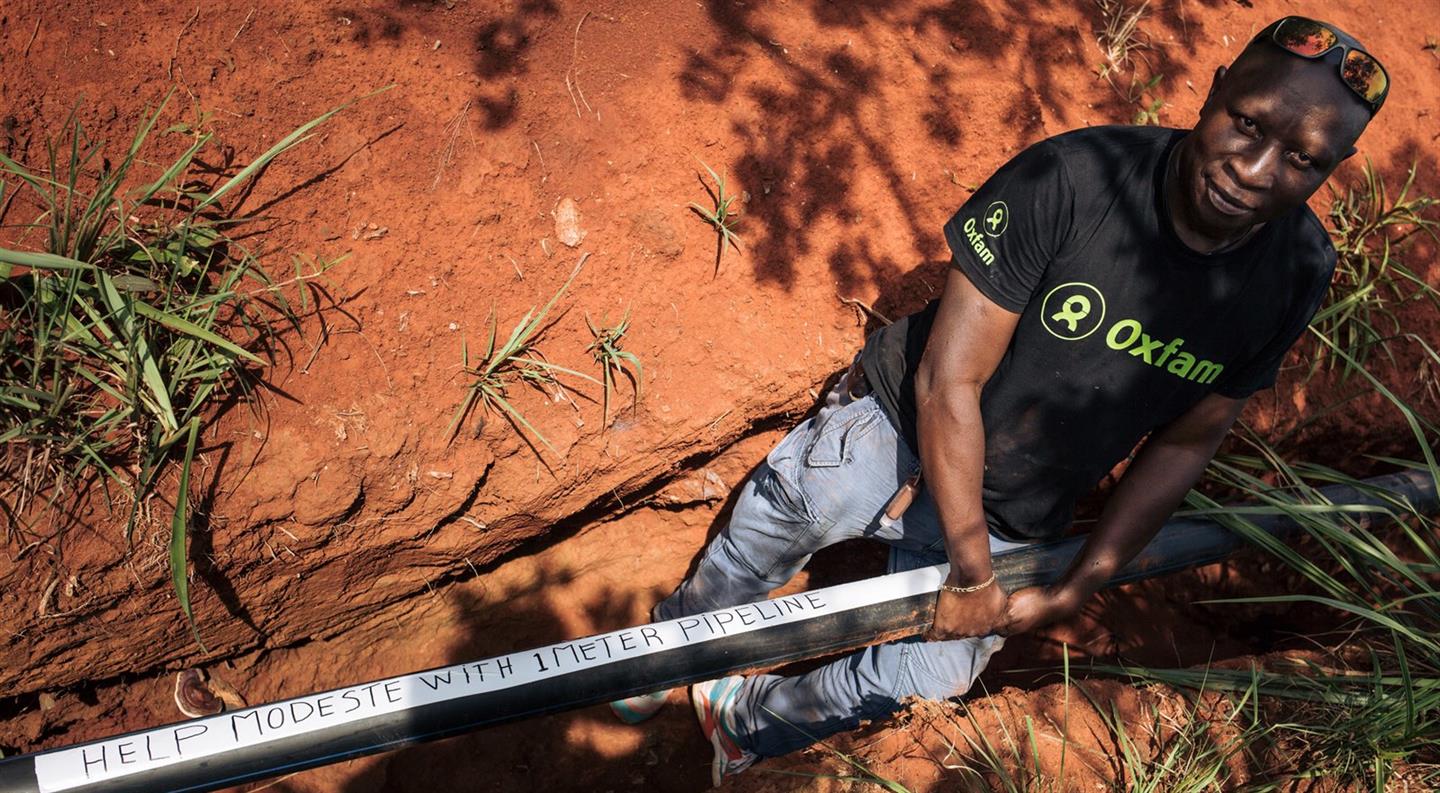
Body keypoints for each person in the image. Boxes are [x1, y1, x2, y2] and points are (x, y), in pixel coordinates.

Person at [613, 16, 1389, 786]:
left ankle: (751, 721)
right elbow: (947, 381)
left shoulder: (1297, 271)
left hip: (1024, 504)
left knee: (934, 676)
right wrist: (972, 567)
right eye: (1246, 124)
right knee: (801, 505)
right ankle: (673, 642)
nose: (1253, 168)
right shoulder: (1074, 180)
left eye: (1300, 159)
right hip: (904, 430)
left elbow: (1189, 440)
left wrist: (1086, 576)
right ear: (1215, 92)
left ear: (1335, 165)